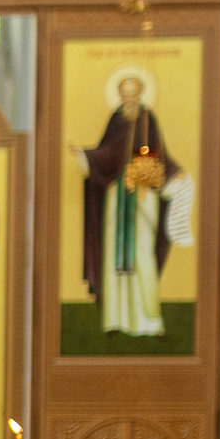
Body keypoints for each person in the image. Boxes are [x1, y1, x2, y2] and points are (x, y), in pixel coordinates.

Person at [74, 71, 181, 336]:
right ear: (120, 94)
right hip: (116, 195)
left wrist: (159, 176)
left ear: (140, 94)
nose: (128, 98)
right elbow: (107, 152)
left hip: (143, 197)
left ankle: (150, 322)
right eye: (125, 93)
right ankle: (116, 320)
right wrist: (86, 155)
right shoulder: (116, 119)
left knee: (142, 254)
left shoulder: (147, 119)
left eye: (133, 93)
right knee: (114, 256)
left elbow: (159, 154)